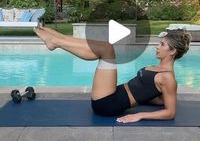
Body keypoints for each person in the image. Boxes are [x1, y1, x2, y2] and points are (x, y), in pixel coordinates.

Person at [34, 26, 191, 124]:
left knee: (107, 49)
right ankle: (58, 38)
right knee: (106, 48)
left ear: (172, 51)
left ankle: (56, 41)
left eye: (162, 45)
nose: (157, 47)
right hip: (113, 95)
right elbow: (160, 99)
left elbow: (170, 113)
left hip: (109, 104)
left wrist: (140, 115)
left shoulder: (168, 78)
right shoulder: (159, 70)